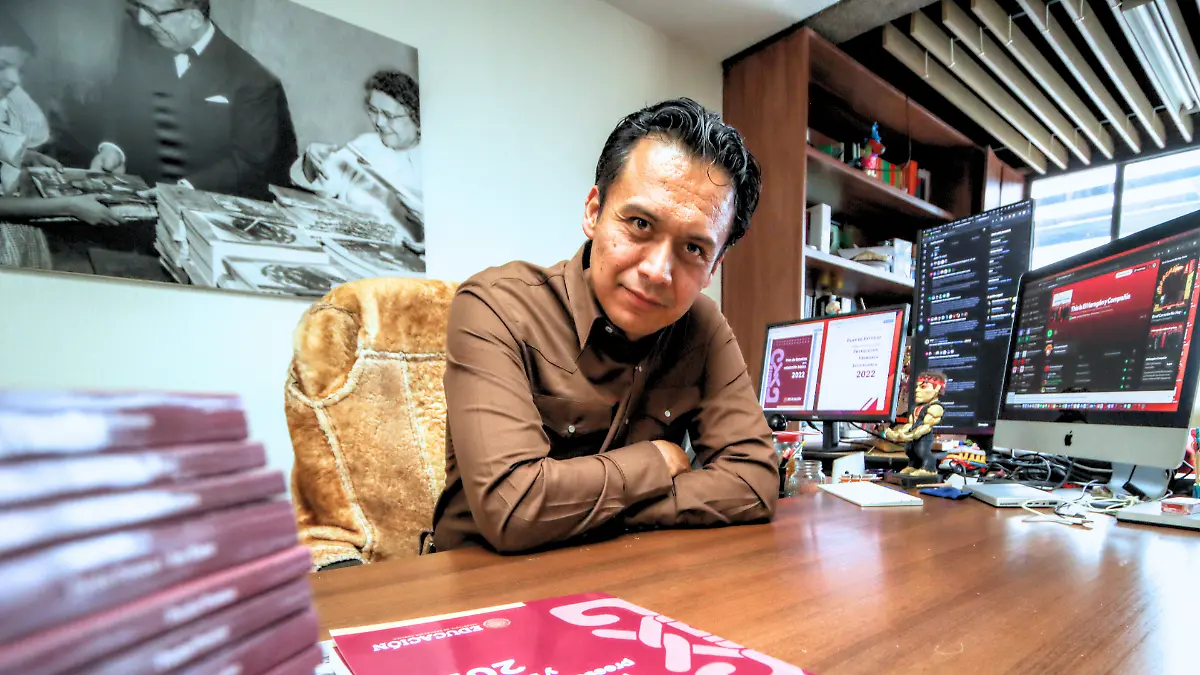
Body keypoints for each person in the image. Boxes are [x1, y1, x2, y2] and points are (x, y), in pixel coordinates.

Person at [432, 98, 777, 553]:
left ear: (714, 266)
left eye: (694, 249)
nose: (658, 271)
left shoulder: (703, 327)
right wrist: (657, 460)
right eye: (640, 223)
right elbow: (512, 508)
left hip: (626, 574)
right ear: (594, 212)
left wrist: (596, 510)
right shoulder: (496, 306)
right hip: (483, 583)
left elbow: (754, 481)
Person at [89, 0, 297, 200]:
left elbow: (249, 163)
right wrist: (113, 148)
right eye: (140, 7)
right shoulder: (137, 41)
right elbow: (120, 103)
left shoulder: (254, 81)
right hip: (133, 196)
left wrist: (184, 189)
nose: (143, 20)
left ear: (194, 18)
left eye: (154, 13)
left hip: (205, 207)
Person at [1, 14, 118, 270]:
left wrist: (25, 156)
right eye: (2, 66)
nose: (14, 79)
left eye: (19, 70)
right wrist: (69, 205)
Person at [290, 69, 424, 255]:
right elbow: (323, 184)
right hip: (340, 249)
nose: (379, 122)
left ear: (416, 117)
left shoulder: (435, 164)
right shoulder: (366, 144)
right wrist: (312, 163)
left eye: (389, 115)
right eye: (373, 111)